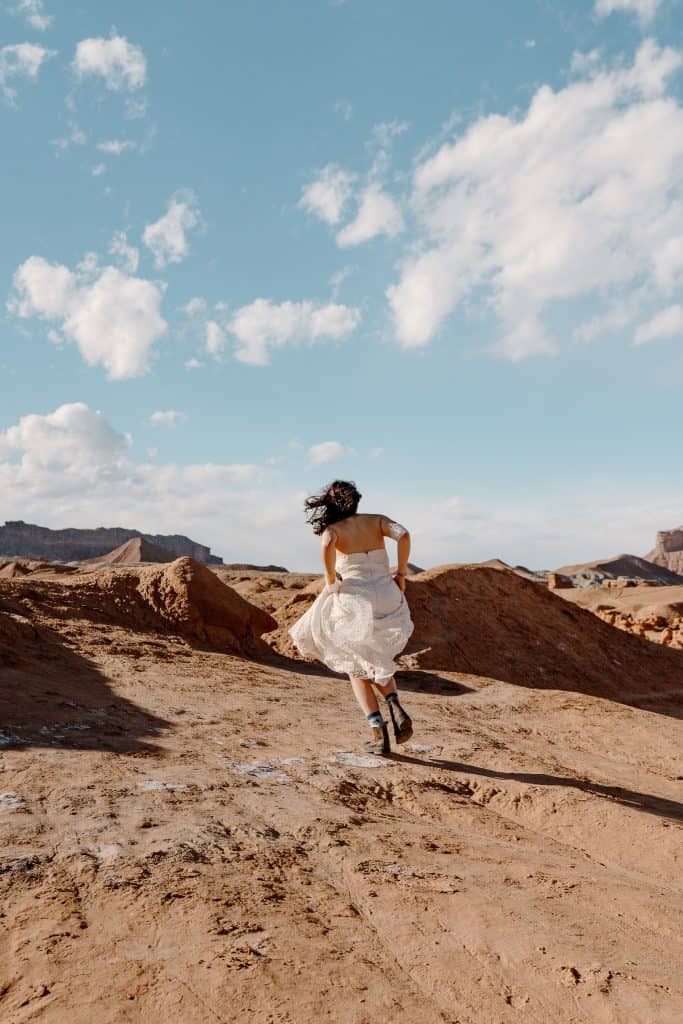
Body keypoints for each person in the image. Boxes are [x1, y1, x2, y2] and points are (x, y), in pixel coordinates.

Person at [289, 479, 414, 756]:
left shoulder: (332, 530)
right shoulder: (377, 521)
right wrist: (401, 573)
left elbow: (327, 546)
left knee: (355, 668)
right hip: (386, 594)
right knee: (378, 658)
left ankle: (377, 733)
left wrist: (331, 580)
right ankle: (393, 702)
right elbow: (403, 534)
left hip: (356, 600)